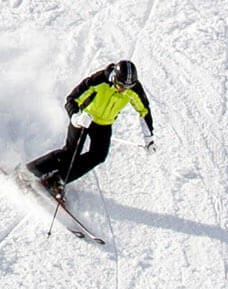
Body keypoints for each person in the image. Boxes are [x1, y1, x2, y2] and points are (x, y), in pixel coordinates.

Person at [25, 59, 153, 195]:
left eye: (128, 87)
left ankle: (57, 180)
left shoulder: (134, 90)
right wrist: (77, 118)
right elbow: (71, 99)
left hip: (104, 124)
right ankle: (29, 172)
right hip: (84, 118)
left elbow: (144, 110)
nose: (123, 90)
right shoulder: (98, 80)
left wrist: (149, 137)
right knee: (70, 152)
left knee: (99, 155)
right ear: (114, 77)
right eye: (120, 85)